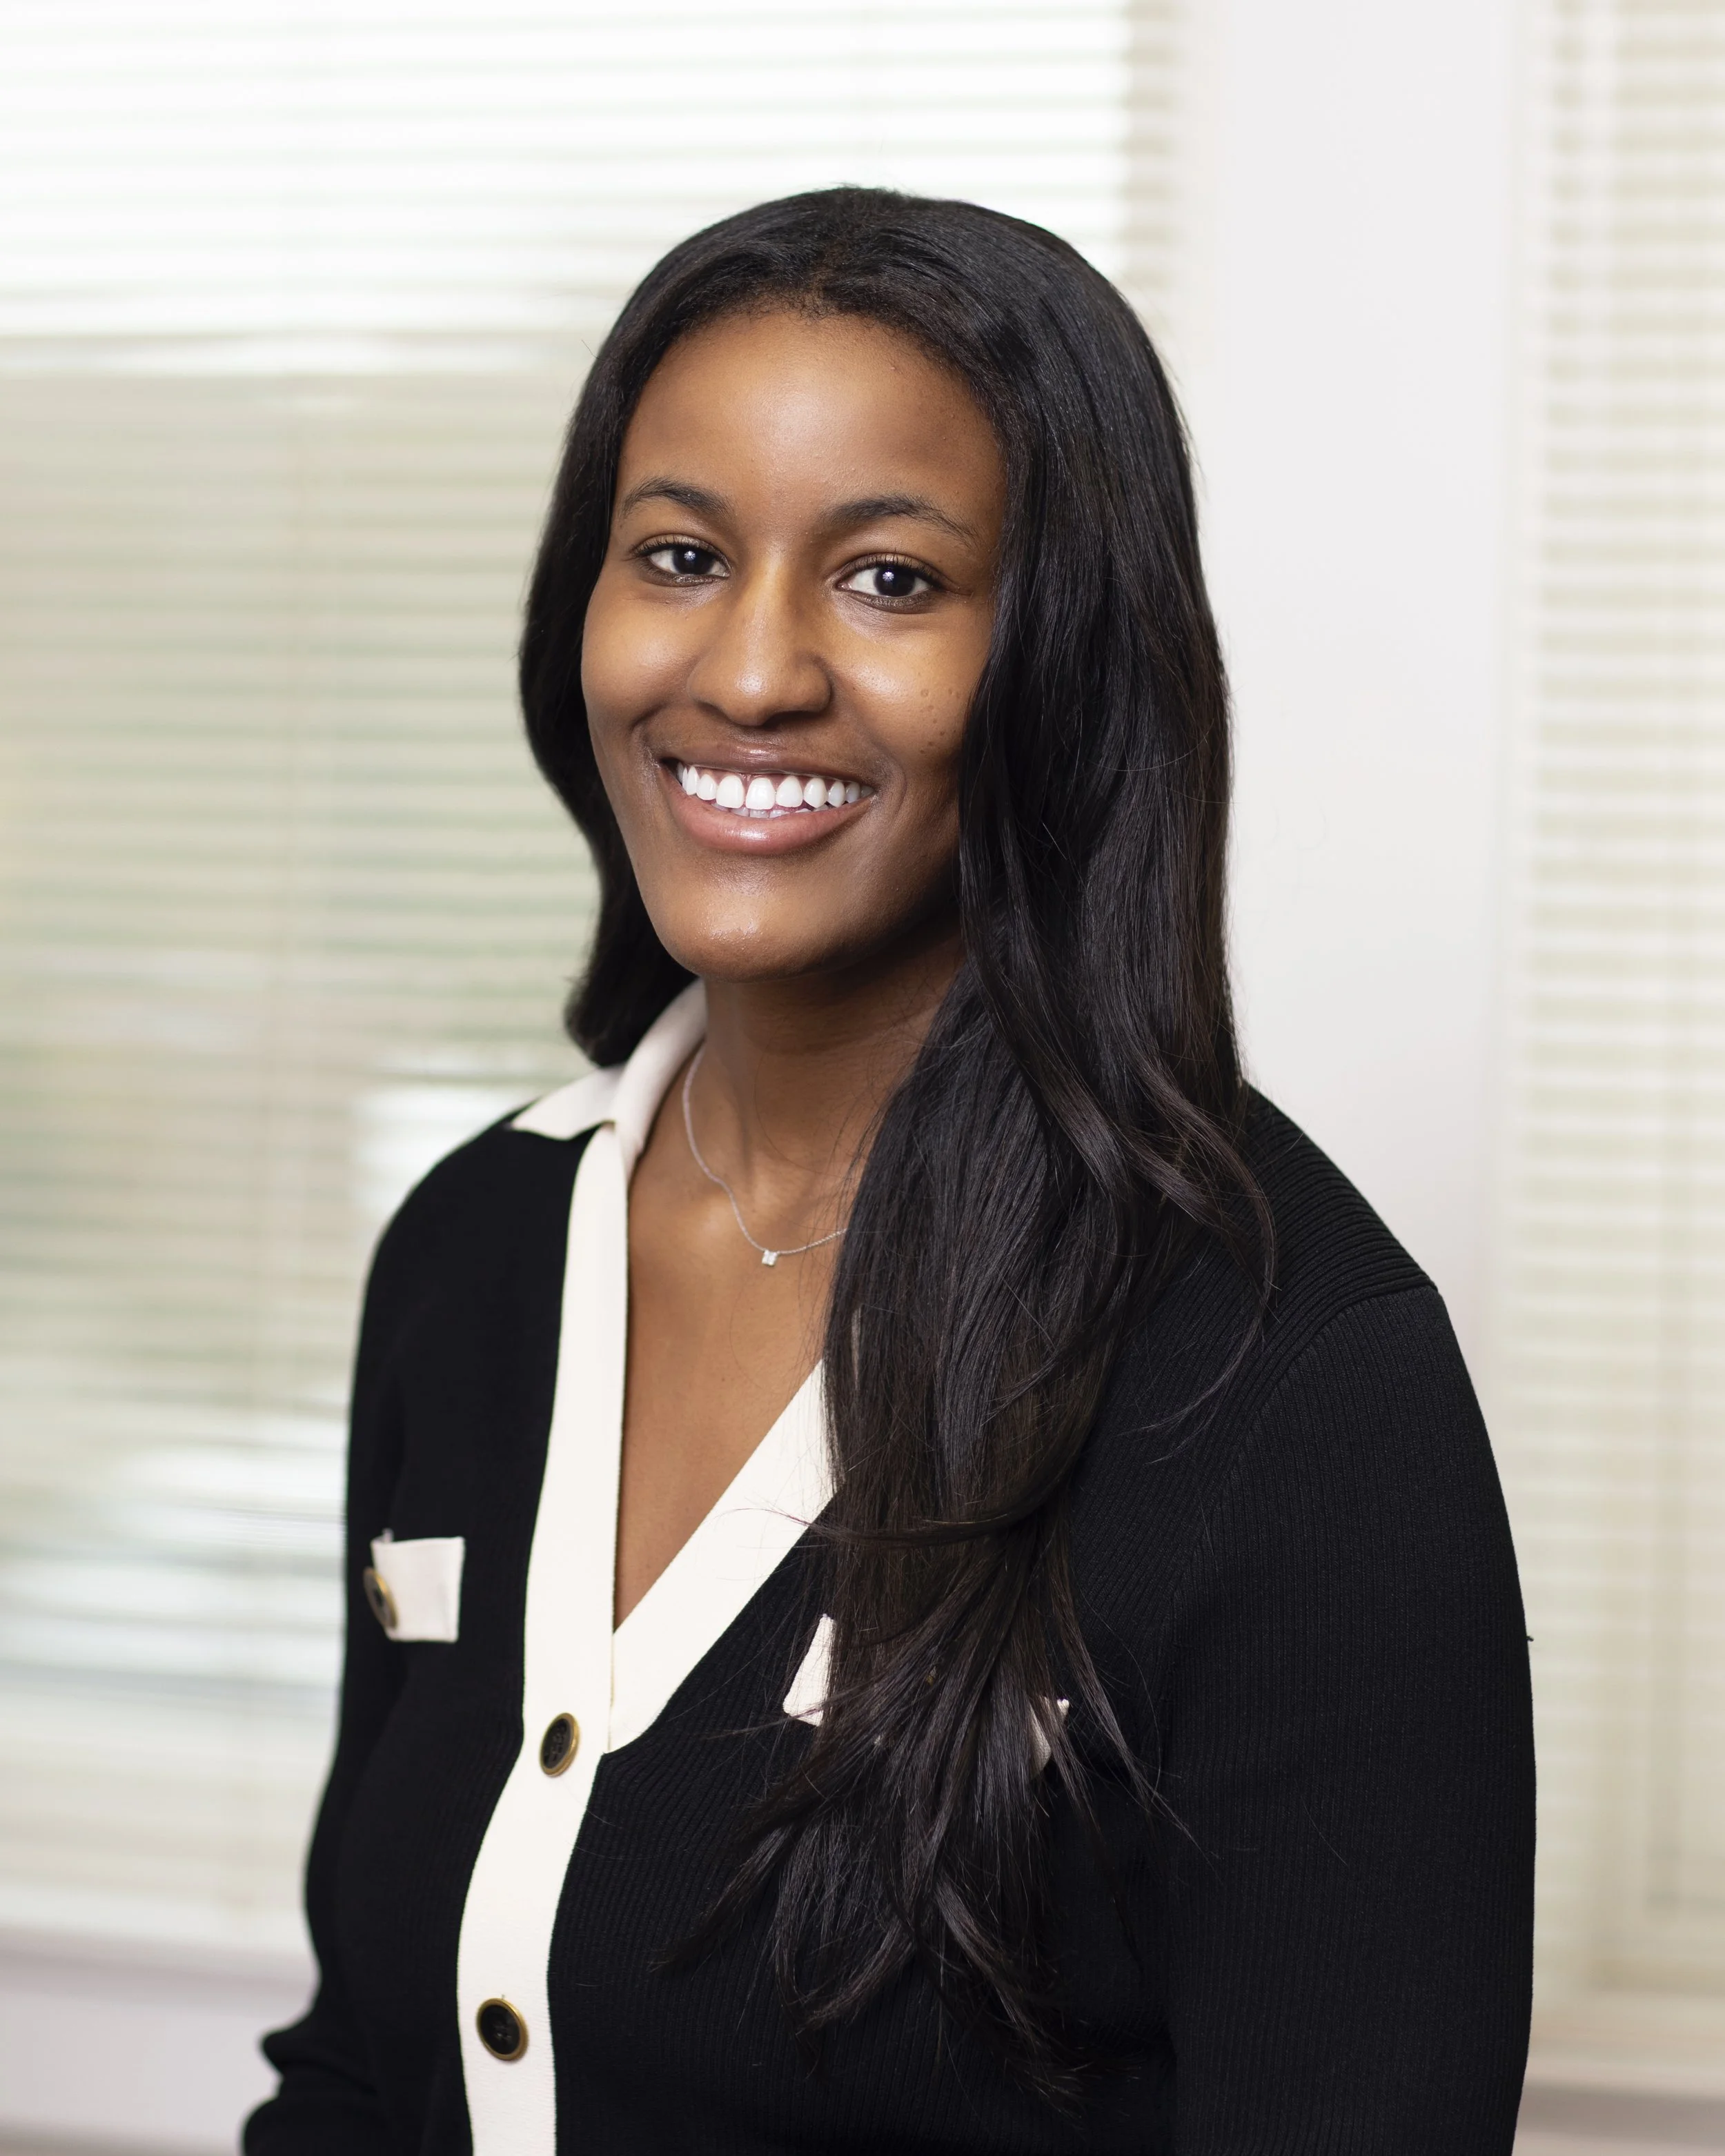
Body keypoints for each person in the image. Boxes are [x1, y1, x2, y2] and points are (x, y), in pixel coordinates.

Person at [245, 188, 1535, 2155]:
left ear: (1064, 658)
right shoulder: (474, 1247)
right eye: (677, 553)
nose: (749, 673)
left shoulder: (1286, 1379)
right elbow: (361, 2068)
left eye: (889, 581)